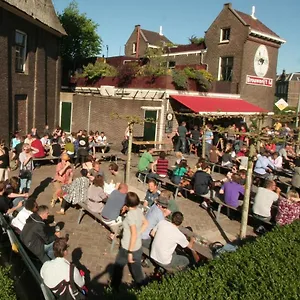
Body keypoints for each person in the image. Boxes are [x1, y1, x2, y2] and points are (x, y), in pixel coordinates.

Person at [111, 192, 148, 289]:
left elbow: (133, 233)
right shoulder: (139, 210)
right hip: (138, 246)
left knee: (118, 267)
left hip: (127, 248)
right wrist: (139, 233)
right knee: (137, 271)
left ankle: (114, 288)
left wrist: (130, 252)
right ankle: (143, 288)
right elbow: (145, 223)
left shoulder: (130, 216)